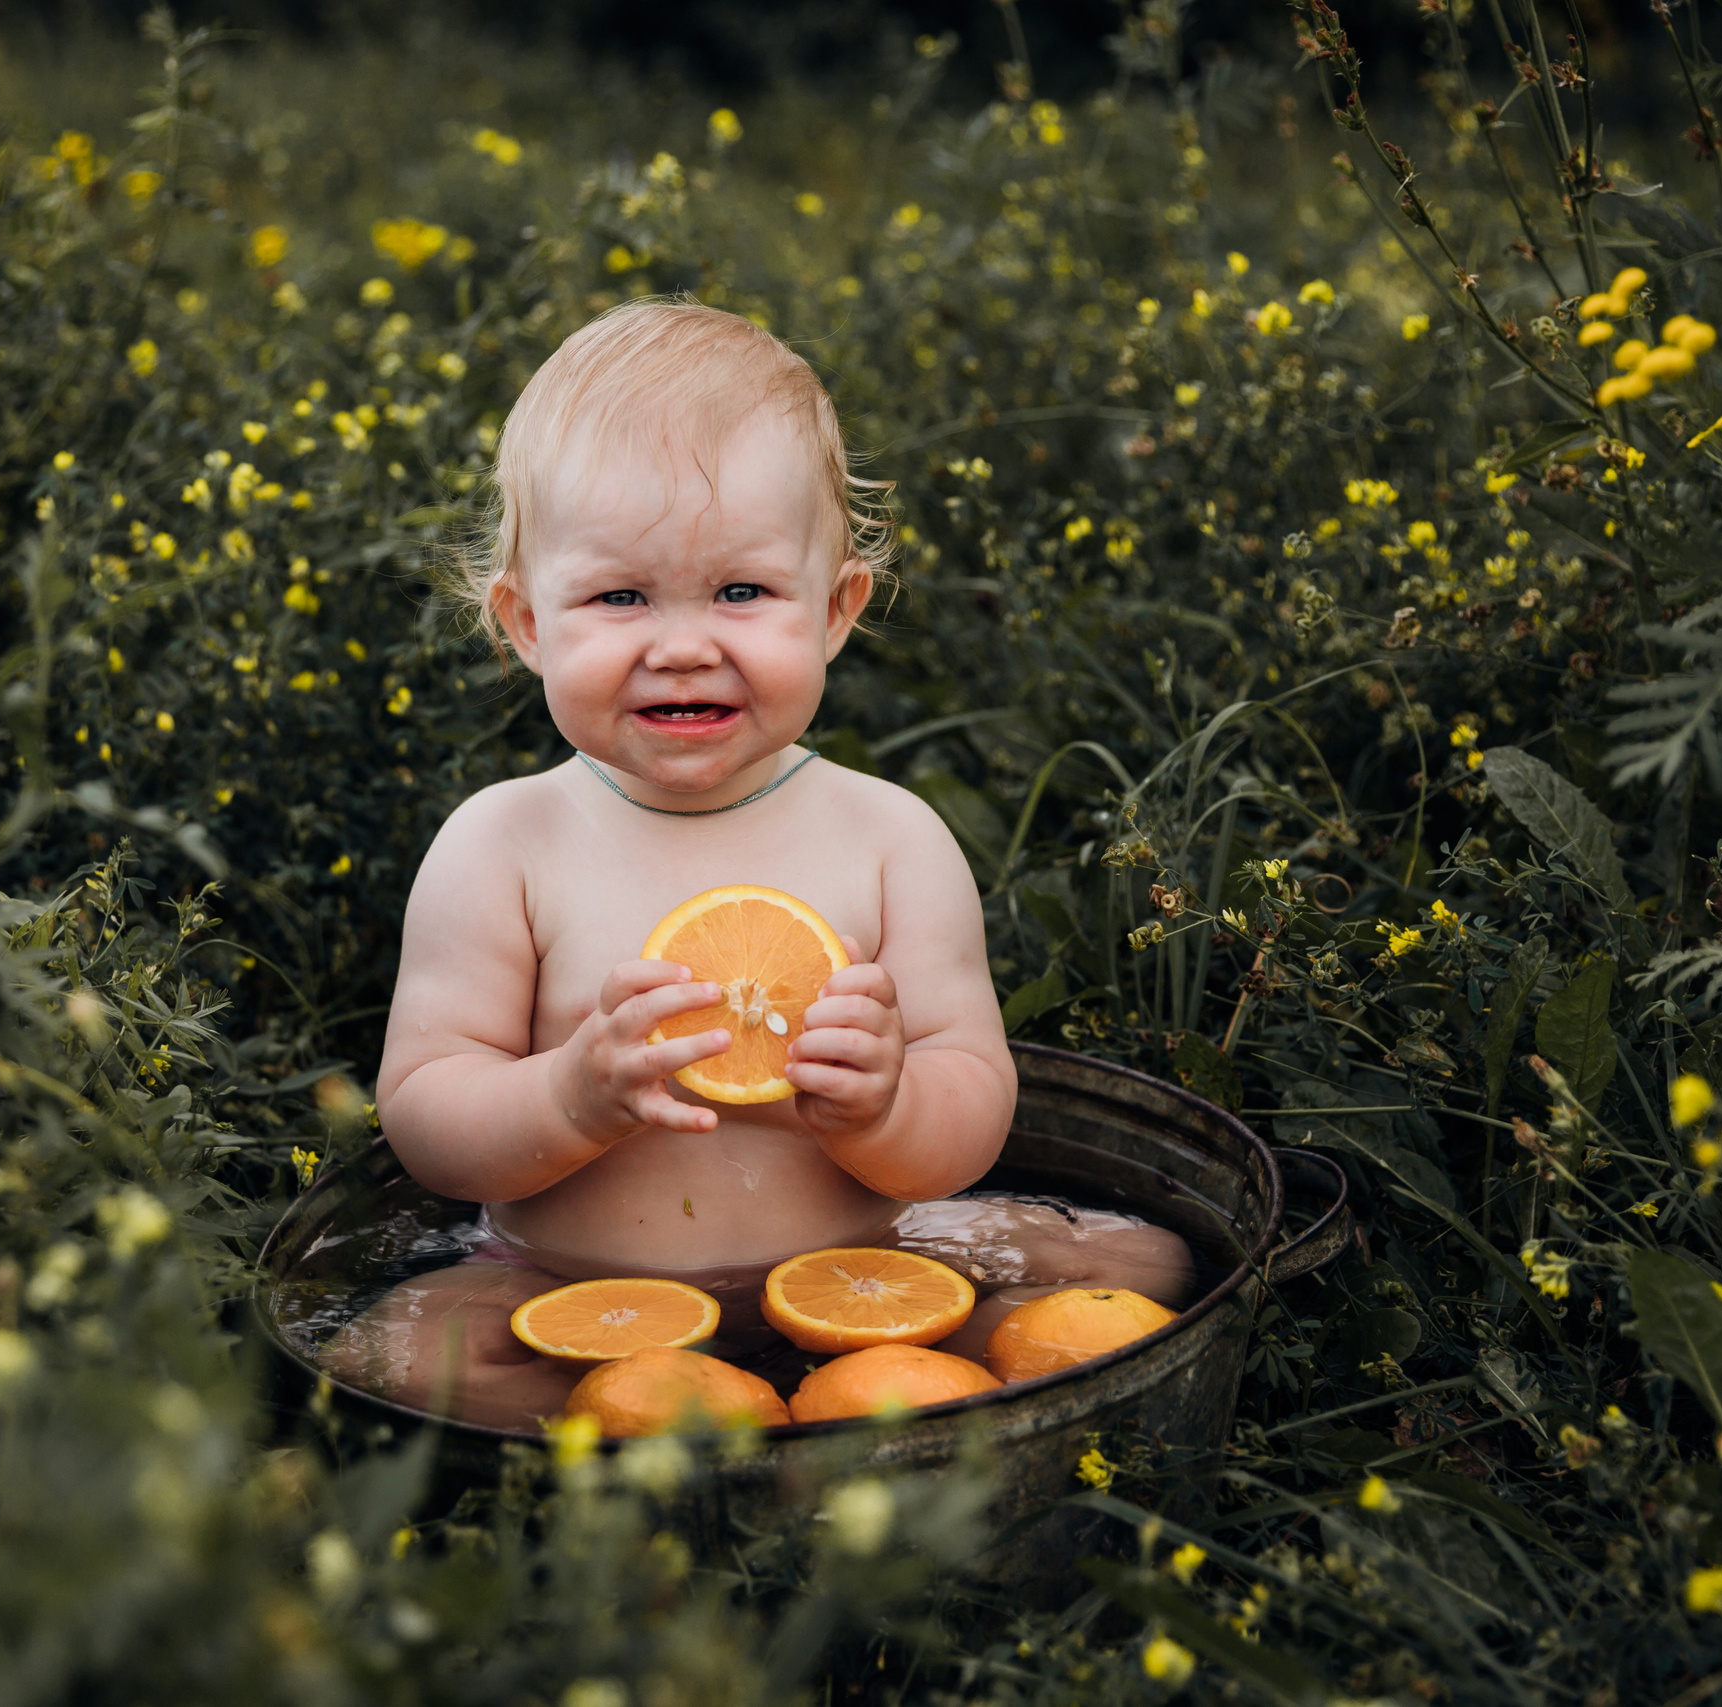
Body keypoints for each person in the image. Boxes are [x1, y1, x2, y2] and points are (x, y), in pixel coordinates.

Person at [324, 298, 1193, 1429]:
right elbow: (428, 1119)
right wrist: (570, 1095)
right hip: (561, 1284)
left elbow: (972, 1111)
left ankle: (826, 1398)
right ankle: (772, 1427)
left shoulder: (889, 838)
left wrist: (879, 1108)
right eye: (618, 596)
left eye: (741, 591)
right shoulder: (504, 845)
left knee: (1144, 1263)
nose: (683, 642)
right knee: (385, 1351)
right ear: (526, 623)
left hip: (868, 1271)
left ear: (834, 611)